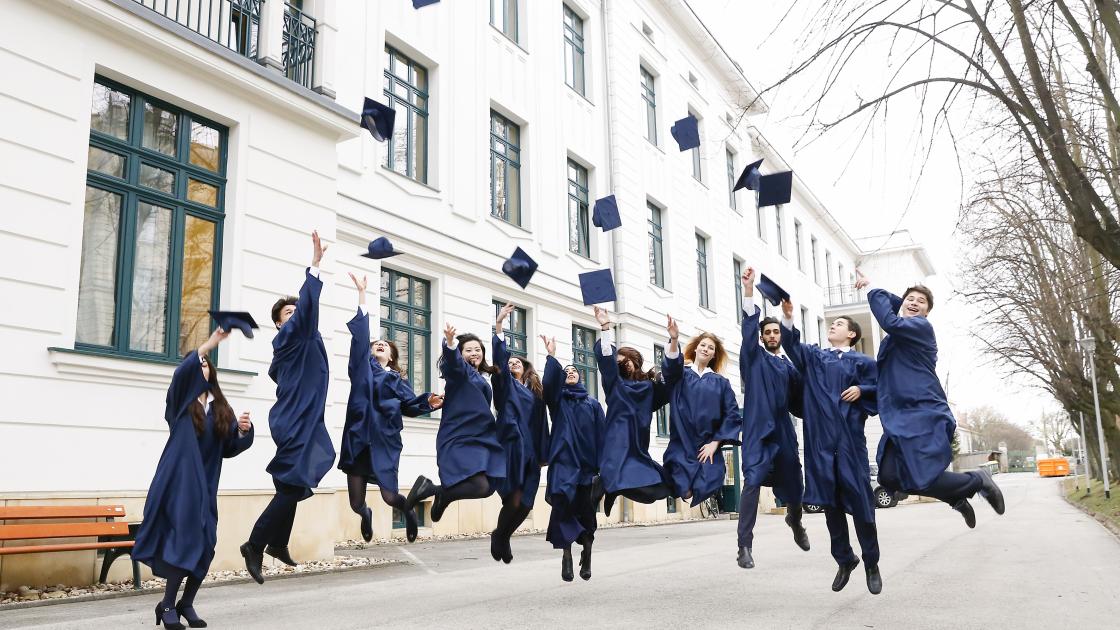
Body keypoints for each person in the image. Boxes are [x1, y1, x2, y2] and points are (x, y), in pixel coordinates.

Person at [856, 271, 1005, 527]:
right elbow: (889, 378)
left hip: (923, 413)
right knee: (889, 477)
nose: (914, 303)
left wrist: (872, 288)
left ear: (927, 313)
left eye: (921, 302)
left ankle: (978, 480)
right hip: (899, 417)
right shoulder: (896, 339)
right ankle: (956, 497)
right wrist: (864, 390)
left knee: (923, 478)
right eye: (910, 299)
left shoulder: (920, 328)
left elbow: (890, 321)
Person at [134, 326, 254, 629]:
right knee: (184, 540)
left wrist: (242, 431)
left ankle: (186, 603)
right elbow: (179, 380)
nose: (202, 366)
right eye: (197, 362)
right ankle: (168, 605)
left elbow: (228, 448)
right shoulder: (180, 406)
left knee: (207, 543)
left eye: (205, 363)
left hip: (206, 485)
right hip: (178, 484)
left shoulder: (219, 408)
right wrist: (209, 344)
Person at [241, 231, 336, 585]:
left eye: (297, 310)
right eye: (288, 312)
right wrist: (314, 267)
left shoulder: (305, 337)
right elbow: (307, 309)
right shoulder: (290, 336)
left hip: (303, 417)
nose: (295, 314)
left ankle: (277, 543)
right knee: (296, 480)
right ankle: (254, 544)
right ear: (280, 322)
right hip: (296, 419)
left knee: (293, 483)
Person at [780, 290, 882, 595]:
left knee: (862, 504)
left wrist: (862, 390)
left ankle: (871, 562)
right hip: (819, 441)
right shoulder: (815, 357)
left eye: (838, 324)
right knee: (829, 503)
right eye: (831, 324)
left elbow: (882, 387)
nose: (832, 327)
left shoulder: (863, 362)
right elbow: (791, 345)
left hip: (849, 440)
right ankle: (844, 559)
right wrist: (787, 317)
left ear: (851, 334)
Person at [340, 272, 443, 545]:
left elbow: (410, 406)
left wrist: (428, 402)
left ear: (392, 356)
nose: (379, 344)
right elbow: (360, 341)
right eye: (376, 344)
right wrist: (362, 297)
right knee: (355, 502)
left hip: (384, 441)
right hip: (359, 439)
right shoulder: (361, 368)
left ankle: (407, 510)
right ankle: (366, 515)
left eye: (384, 345)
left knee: (389, 496)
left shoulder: (397, 380)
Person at [736, 267, 810, 569]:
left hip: (782, 432)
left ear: (781, 336)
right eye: (766, 332)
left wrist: (789, 318)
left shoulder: (789, 368)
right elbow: (748, 326)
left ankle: (795, 520)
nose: (771, 335)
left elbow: (801, 403)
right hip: (756, 431)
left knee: (794, 483)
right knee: (752, 481)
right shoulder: (753, 358)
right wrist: (749, 289)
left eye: (776, 331)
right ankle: (744, 546)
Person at [404, 325, 507, 522]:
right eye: (468, 349)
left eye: (478, 349)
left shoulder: (482, 377)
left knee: (486, 488)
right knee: (481, 486)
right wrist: (450, 344)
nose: (474, 352)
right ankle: (432, 490)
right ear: (461, 354)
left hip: (480, 438)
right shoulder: (459, 373)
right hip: (460, 436)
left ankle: (440, 494)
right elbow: (453, 363)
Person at [592, 306, 682, 517]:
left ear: (636, 360)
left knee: (655, 489)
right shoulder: (614, 384)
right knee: (616, 471)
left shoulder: (650, 388)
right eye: (619, 361)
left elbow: (672, 381)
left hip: (638, 444)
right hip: (617, 439)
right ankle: (605, 484)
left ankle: (610, 488)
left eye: (626, 360)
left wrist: (674, 340)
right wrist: (605, 326)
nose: (623, 363)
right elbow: (605, 360)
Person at [540, 335, 606, 582]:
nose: (570, 373)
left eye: (574, 371)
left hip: (587, 469)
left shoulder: (593, 405)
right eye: (565, 371)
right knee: (562, 511)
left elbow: (603, 436)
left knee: (587, 514)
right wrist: (552, 356)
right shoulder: (558, 402)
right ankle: (566, 555)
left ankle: (587, 552)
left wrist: (603, 470)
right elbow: (549, 383)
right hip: (563, 467)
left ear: (581, 377)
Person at [489, 304, 550, 564]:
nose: (512, 363)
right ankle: (500, 536)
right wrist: (500, 326)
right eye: (509, 362)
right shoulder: (506, 386)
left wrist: (543, 453)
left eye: (517, 362)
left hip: (531, 452)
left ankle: (503, 534)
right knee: (513, 501)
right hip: (512, 448)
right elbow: (500, 362)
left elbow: (541, 424)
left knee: (526, 504)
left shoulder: (536, 393)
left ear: (525, 368)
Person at [662, 330, 742, 509]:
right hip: (681, 442)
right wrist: (674, 339)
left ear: (714, 354)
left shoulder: (721, 383)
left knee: (710, 480)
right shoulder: (680, 375)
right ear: (696, 349)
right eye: (703, 345)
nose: (706, 349)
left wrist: (715, 443)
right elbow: (671, 364)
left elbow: (732, 415)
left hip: (706, 444)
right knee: (684, 488)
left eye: (711, 348)